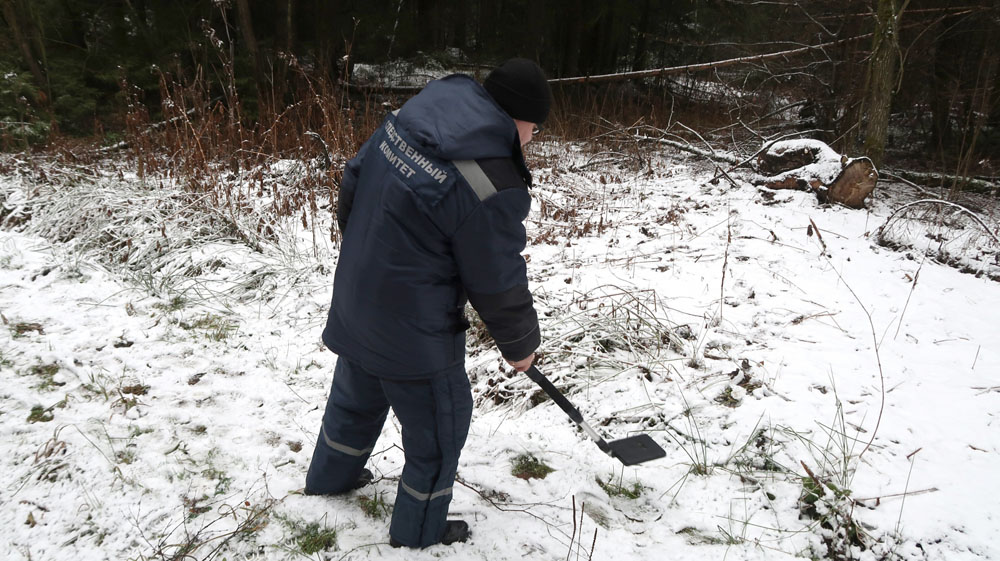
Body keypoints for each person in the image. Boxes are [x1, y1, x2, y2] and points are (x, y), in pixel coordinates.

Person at [304, 58, 551, 549]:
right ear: (517, 117)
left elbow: (352, 182)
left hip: (359, 296)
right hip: (413, 331)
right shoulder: (490, 180)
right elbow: (497, 278)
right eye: (534, 128)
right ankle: (420, 533)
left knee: (356, 398)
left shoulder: (415, 119)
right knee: (440, 427)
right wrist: (521, 344)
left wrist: (368, 257)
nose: (532, 139)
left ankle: (329, 480)